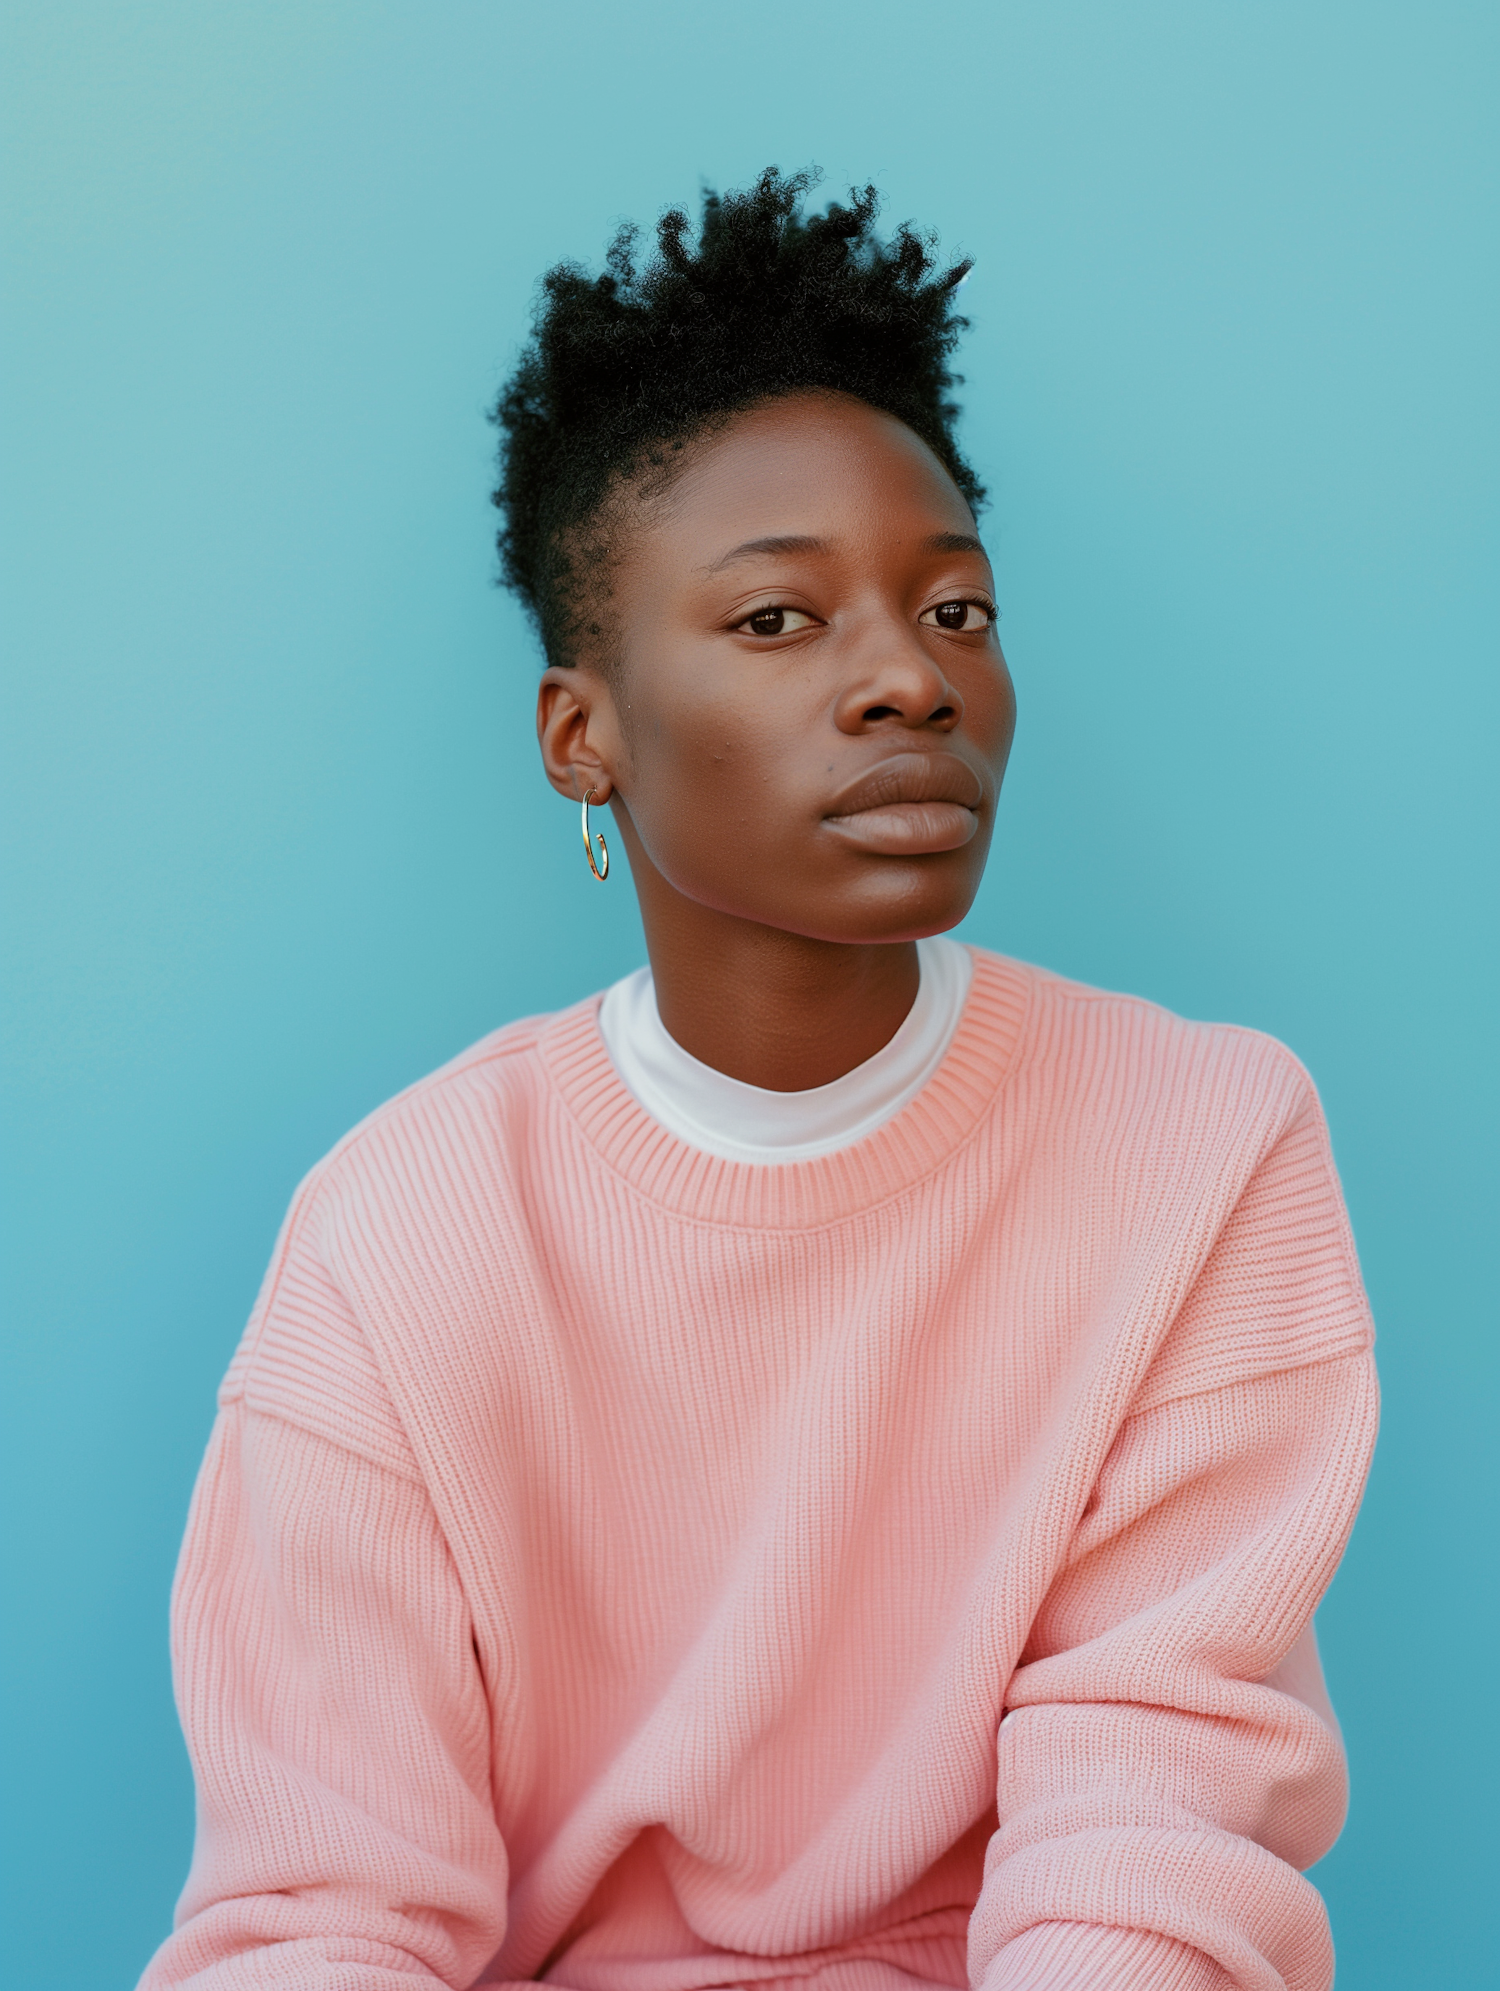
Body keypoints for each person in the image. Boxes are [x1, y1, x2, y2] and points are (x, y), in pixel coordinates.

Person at [140, 170, 1377, 1991]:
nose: (908, 682)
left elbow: (1151, 1835)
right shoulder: (395, 1238)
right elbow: (321, 1913)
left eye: (955, 609)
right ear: (585, 735)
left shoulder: (1202, 1141)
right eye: (779, 622)